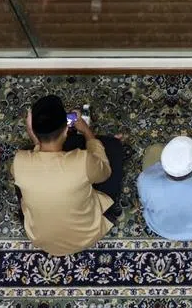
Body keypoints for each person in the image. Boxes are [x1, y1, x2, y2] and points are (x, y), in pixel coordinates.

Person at [14, 94, 123, 255]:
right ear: (66, 129)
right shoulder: (82, 160)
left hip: (41, 239)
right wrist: (86, 131)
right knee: (113, 148)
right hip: (87, 235)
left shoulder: (19, 160)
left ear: (32, 130)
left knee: (23, 177)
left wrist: (36, 142)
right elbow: (104, 174)